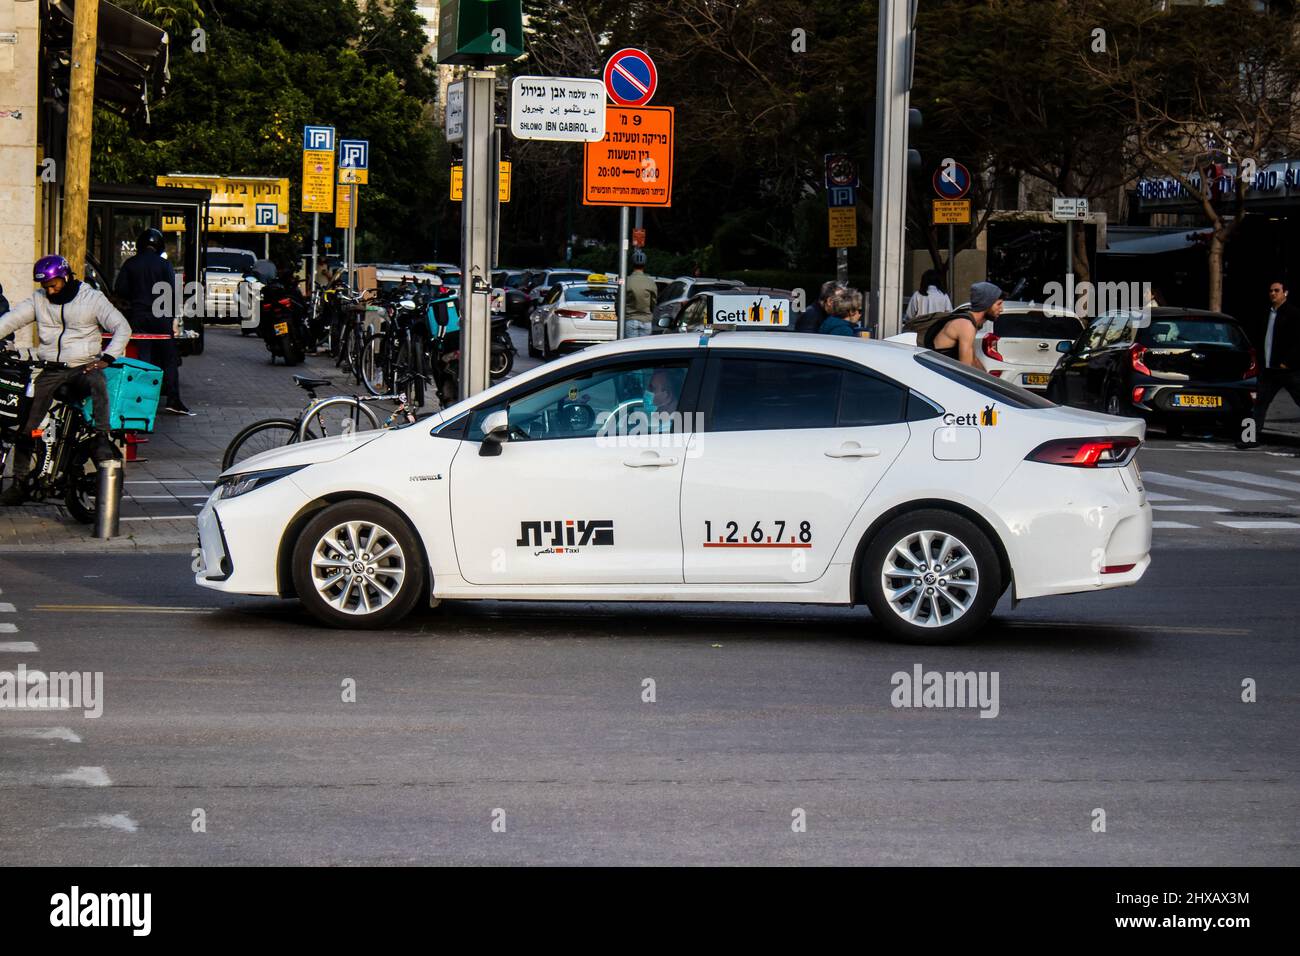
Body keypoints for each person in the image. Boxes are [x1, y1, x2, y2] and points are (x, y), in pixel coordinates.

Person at [0, 255, 131, 505]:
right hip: (51, 369)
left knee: (97, 383)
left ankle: (101, 436)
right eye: (46, 286)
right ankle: (19, 482)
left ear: (66, 276)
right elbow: (11, 320)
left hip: (83, 365)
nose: (50, 290)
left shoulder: (91, 298)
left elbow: (122, 327)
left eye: (54, 284)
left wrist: (107, 357)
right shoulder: (39, 299)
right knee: (27, 426)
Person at [114, 227, 192, 415]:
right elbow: (173, 293)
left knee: (143, 357)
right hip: (162, 316)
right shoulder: (165, 265)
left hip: (139, 316)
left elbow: (121, 291)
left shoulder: (130, 264)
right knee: (169, 359)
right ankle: (173, 399)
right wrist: (174, 319)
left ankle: (139, 399)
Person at [1239, 278, 1300, 448]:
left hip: (1288, 370)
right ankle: (1250, 439)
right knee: (1259, 404)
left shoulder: (1294, 314)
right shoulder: (1266, 314)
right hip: (1268, 370)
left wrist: (1287, 363)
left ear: (1285, 293)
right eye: (1271, 291)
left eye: (1277, 290)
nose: (1273, 293)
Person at [925, 281, 1004, 370]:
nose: (1001, 309)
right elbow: (966, 369)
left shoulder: (969, 322)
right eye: (999, 304)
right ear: (987, 303)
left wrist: (990, 380)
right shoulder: (966, 325)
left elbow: (974, 360)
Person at [624, 251, 657, 338]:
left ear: (632, 264)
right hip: (646, 321)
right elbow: (653, 303)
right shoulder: (650, 282)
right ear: (644, 264)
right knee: (644, 348)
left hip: (630, 320)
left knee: (630, 349)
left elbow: (619, 302)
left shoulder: (626, 281)